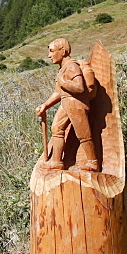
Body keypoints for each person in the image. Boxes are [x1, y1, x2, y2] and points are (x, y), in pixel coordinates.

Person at [35, 38, 98, 172]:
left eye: (52, 51)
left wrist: (62, 81)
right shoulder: (63, 68)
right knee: (57, 128)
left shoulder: (71, 66)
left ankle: (93, 162)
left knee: (83, 133)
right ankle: (56, 161)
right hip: (66, 101)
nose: (49, 55)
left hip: (76, 103)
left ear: (63, 51)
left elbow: (80, 88)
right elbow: (58, 92)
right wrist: (45, 105)